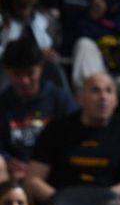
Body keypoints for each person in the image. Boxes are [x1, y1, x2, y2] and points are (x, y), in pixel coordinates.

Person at [25, 73, 120, 205]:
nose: (103, 97)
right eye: (96, 90)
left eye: (109, 91)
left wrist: (108, 197)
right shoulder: (57, 129)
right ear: (80, 99)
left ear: (116, 100)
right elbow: (32, 180)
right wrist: (59, 200)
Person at [0, 36, 77, 180]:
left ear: (41, 68)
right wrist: (9, 161)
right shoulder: (3, 103)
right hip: (14, 174)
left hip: (54, 169)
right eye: (17, 74)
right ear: (7, 71)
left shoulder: (61, 99)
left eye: (30, 73)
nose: (24, 81)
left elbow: (75, 137)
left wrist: (40, 168)